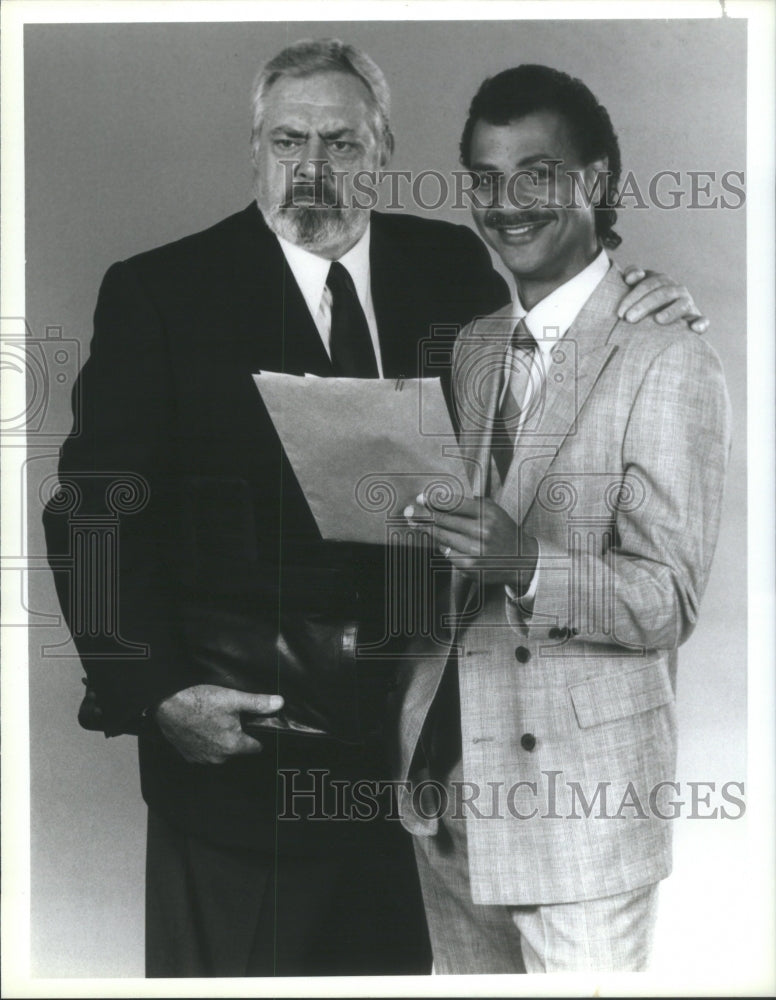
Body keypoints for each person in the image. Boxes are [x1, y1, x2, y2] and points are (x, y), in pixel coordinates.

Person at [42, 40, 709, 978]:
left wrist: (645, 293)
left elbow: (567, 327)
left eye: (341, 144)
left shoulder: (454, 274)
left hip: (416, 775)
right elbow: (90, 517)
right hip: (243, 759)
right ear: (254, 148)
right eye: (287, 141)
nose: (312, 170)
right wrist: (153, 694)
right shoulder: (160, 292)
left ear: (384, 149)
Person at [399, 64, 731, 973]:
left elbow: (666, 602)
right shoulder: (469, 348)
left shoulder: (668, 356)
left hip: (582, 805)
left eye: (538, 174)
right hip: (450, 787)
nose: (508, 204)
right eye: (485, 179)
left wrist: (530, 562)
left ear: (598, 179)